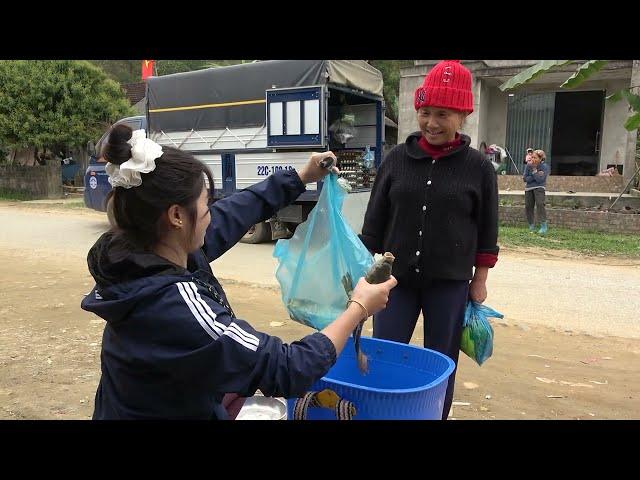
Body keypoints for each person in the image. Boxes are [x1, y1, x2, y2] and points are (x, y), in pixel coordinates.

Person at [81, 124, 396, 420]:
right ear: (177, 216)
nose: (211, 212)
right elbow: (287, 368)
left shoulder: (146, 252)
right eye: (206, 203)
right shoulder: (173, 305)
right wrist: (358, 307)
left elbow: (233, 213)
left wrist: (300, 177)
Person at [359, 60, 499, 420]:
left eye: (443, 114)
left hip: (450, 283)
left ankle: (434, 414)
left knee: (440, 361)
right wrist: (360, 268)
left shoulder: (478, 167)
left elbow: (487, 229)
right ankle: (383, 413)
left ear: (463, 115)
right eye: (425, 112)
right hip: (395, 281)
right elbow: (374, 221)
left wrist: (479, 280)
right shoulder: (396, 160)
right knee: (383, 353)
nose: (432, 123)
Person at [523, 149, 549, 234]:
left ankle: (543, 226)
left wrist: (534, 172)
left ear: (541, 159)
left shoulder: (544, 167)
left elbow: (540, 180)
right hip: (528, 189)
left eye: (535, 158)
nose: (533, 159)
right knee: (528, 206)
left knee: (540, 204)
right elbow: (525, 178)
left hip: (539, 188)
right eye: (532, 157)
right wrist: (535, 175)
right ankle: (531, 225)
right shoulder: (528, 165)